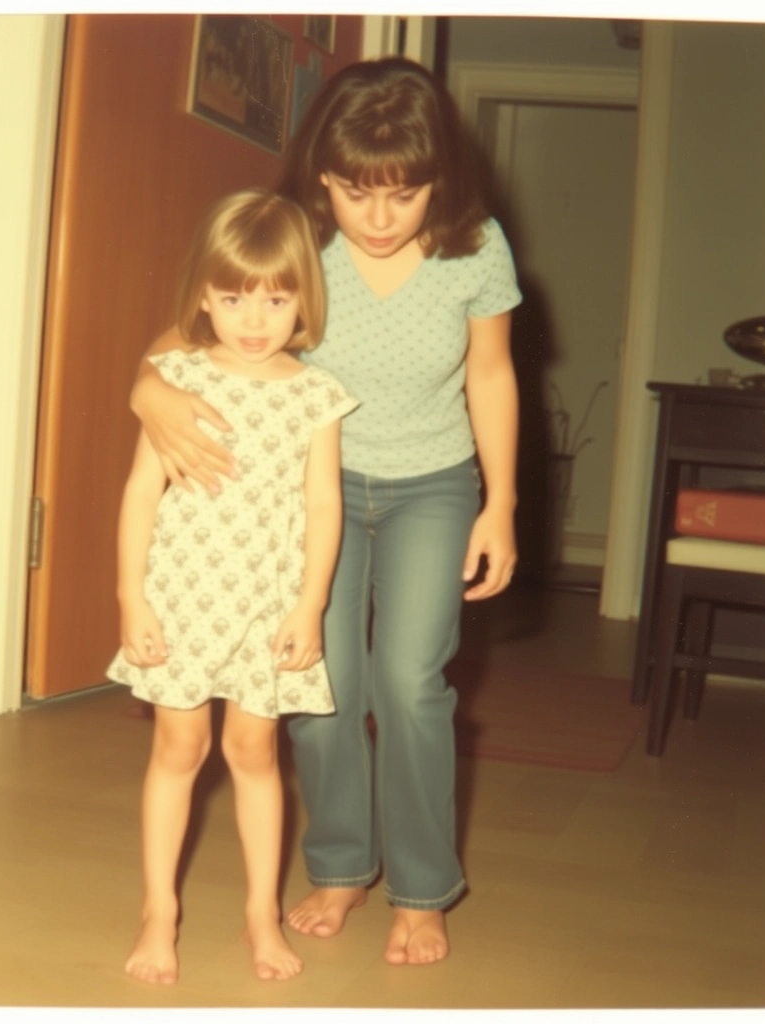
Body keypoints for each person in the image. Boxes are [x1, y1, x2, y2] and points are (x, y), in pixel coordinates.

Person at [130, 57, 522, 967]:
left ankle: (423, 887)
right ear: (323, 180)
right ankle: (342, 868)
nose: (378, 219)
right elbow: (191, 335)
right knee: (319, 683)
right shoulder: (299, 234)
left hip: (433, 481)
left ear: (441, 181)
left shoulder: (478, 245)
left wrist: (499, 503)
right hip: (315, 489)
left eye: (404, 194)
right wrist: (146, 391)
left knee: (410, 683)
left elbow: (493, 374)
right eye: (355, 193)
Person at [108, 188, 359, 984]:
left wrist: (311, 604)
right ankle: (159, 910)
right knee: (179, 745)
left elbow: (324, 504)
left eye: (277, 298)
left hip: (266, 603)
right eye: (233, 297)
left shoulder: (317, 396)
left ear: (303, 301)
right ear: (205, 299)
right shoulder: (177, 379)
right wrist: (130, 597)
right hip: (179, 596)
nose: (255, 319)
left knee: (255, 750)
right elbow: (141, 493)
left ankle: (260, 912)